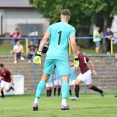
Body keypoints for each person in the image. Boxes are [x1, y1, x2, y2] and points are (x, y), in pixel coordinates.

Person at [32, 9, 79, 111]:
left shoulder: (52, 26)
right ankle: (64, 104)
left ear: (60, 17)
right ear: (69, 17)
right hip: (62, 56)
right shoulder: (71, 28)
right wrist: (76, 57)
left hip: (50, 55)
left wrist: (38, 54)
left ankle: (35, 102)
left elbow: (44, 39)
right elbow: (73, 43)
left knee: (43, 79)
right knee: (65, 80)